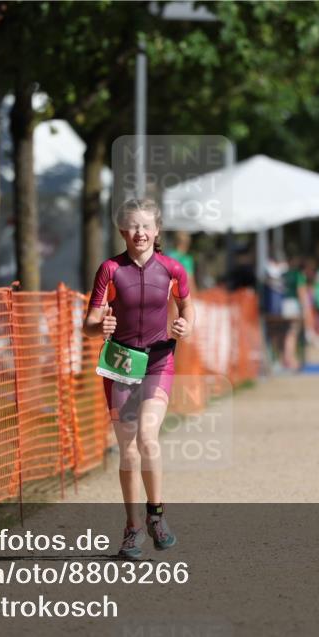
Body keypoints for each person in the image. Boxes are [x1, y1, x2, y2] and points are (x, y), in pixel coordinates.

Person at [83, 197, 195, 559]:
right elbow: (88, 324)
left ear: (157, 230)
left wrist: (185, 324)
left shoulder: (173, 269)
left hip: (159, 360)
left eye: (146, 226)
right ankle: (132, 529)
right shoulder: (110, 270)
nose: (140, 232)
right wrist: (101, 324)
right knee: (128, 448)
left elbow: (186, 305)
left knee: (148, 437)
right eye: (133, 226)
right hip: (120, 363)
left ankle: (156, 515)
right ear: (122, 231)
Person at [280, 257, 310, 369]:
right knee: (292, 334)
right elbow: (301, 291)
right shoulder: (298, 275)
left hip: (282, 305)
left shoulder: (284, 274)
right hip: (293, 306)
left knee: (285, 333)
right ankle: (290, 359)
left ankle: (285, 358)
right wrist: (305, 307)